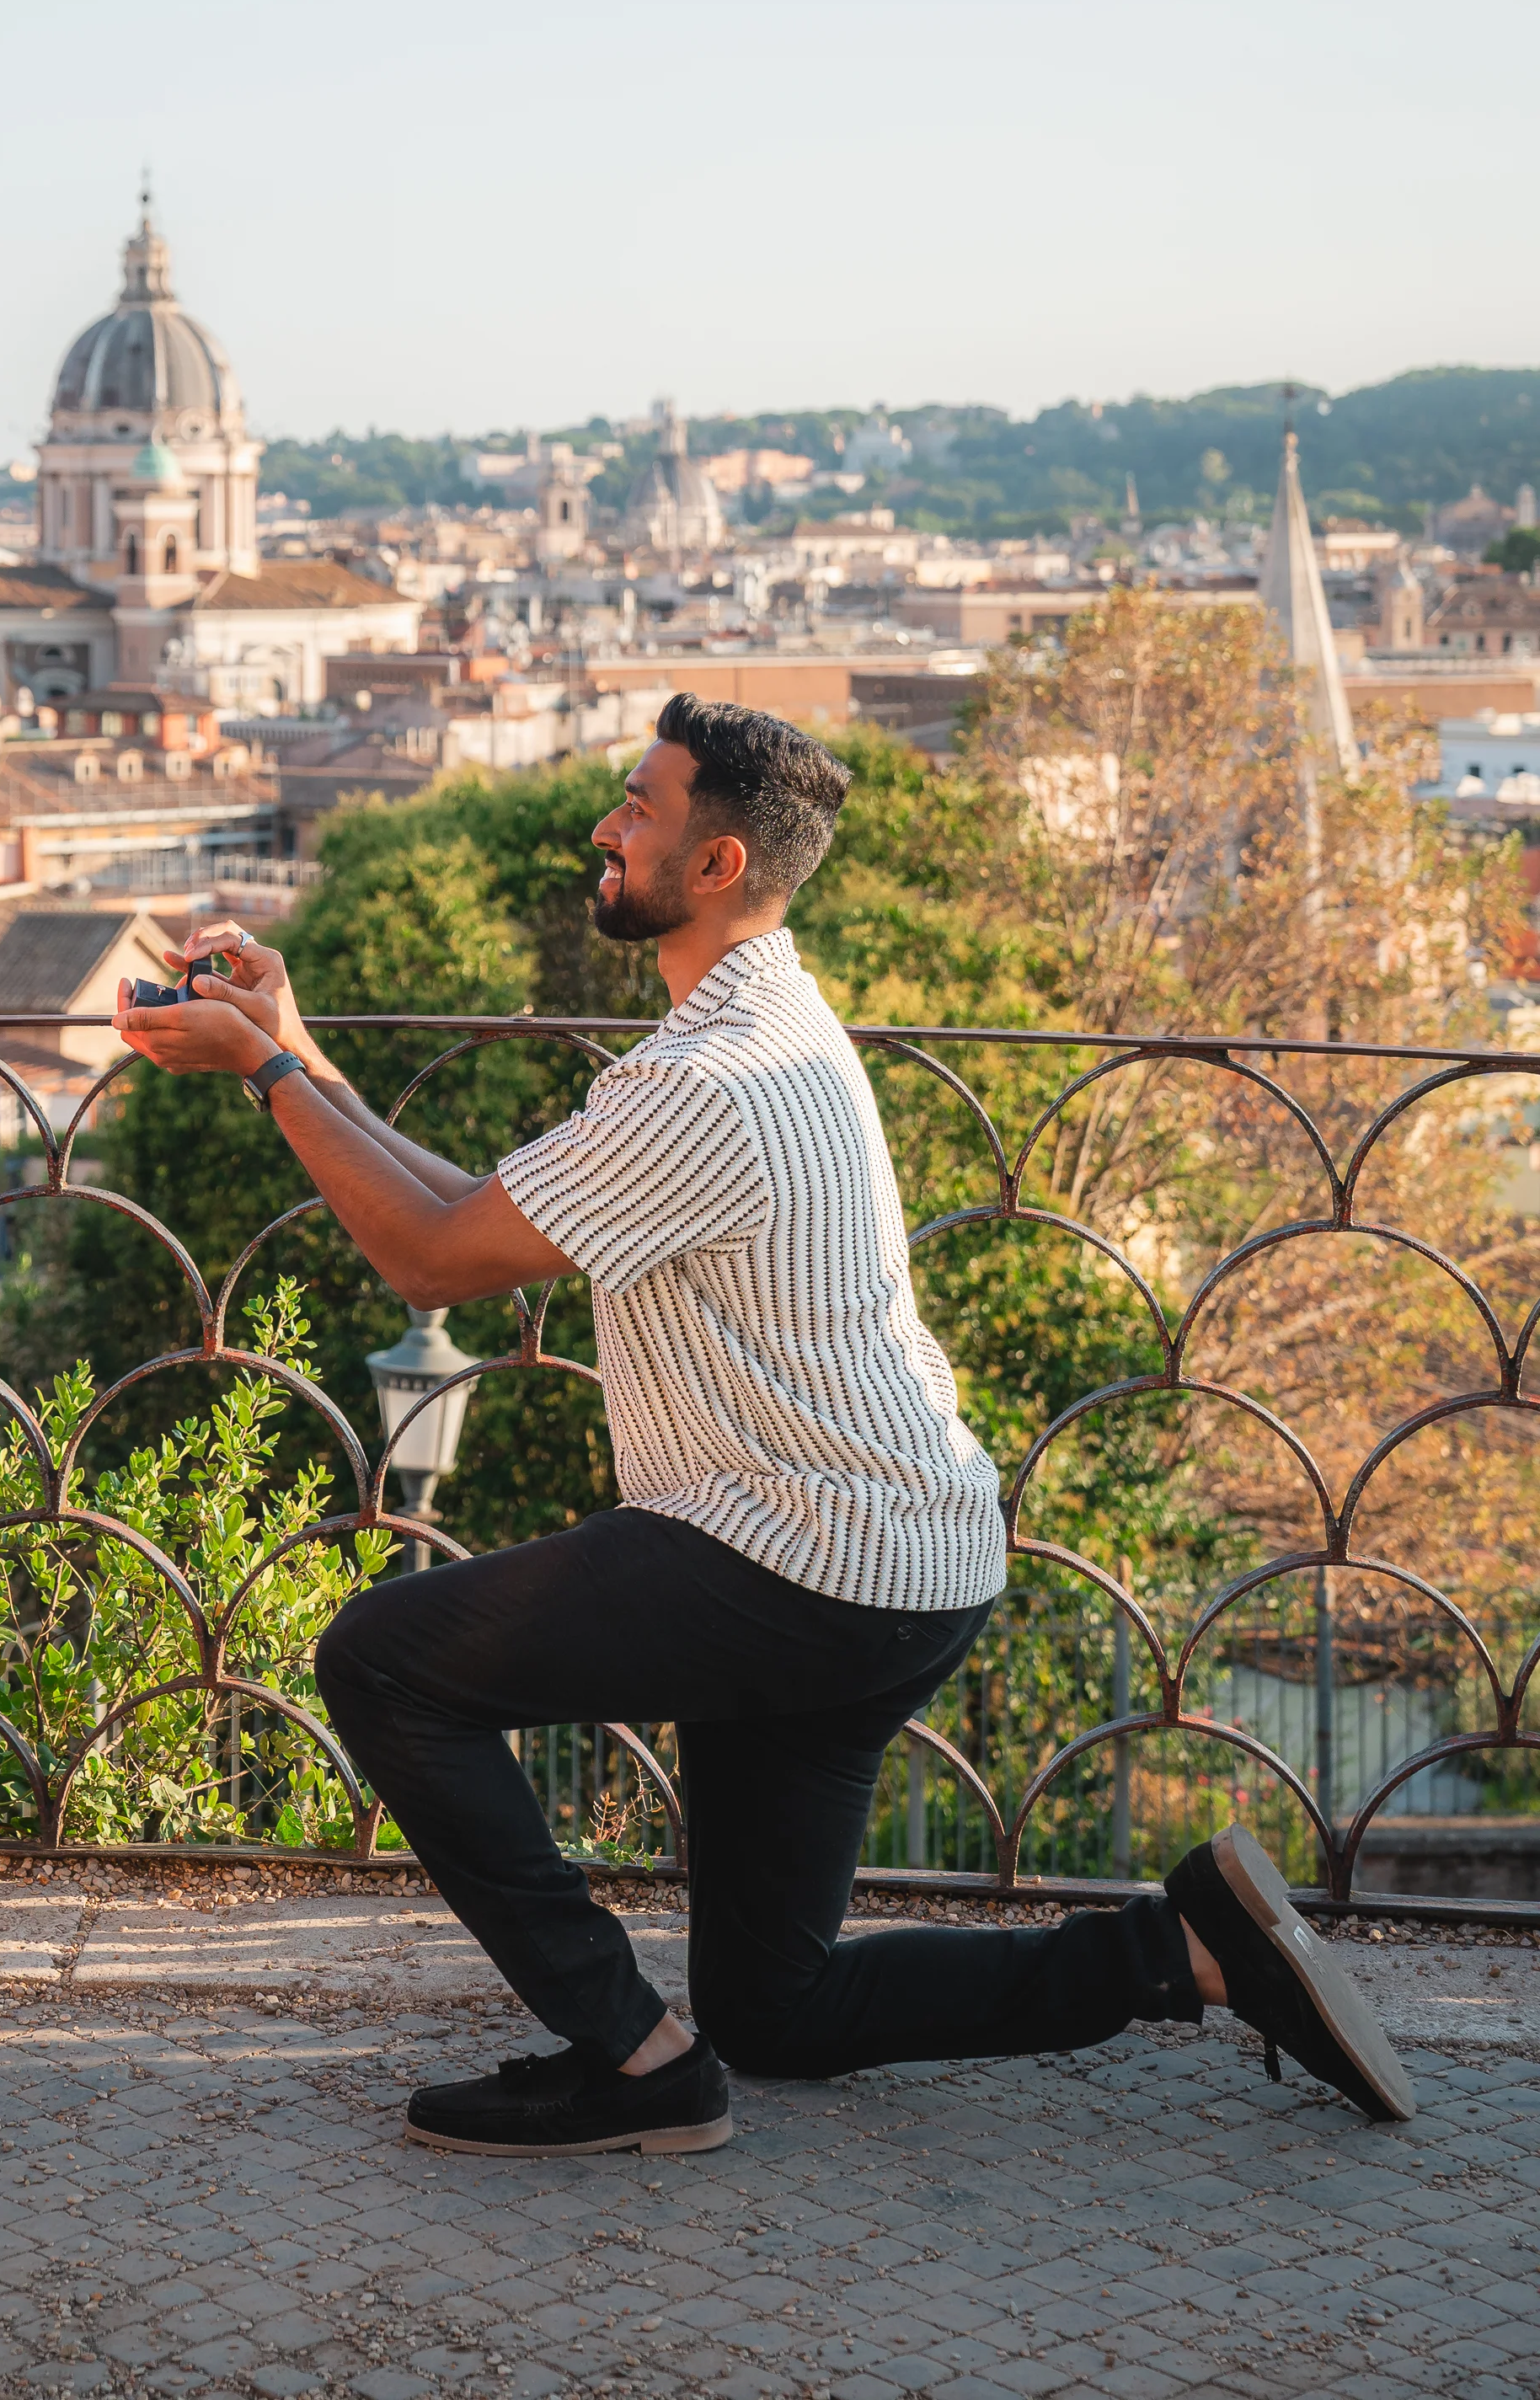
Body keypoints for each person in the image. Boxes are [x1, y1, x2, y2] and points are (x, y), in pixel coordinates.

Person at [115, 692, 1413, 2153]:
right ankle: (1185, 1953)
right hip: (902, 1560)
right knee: (776, 2010)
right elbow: (466, 1216)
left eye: (639, 807)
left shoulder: (703, 1083)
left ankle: (630, 2060)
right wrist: (294, 1045)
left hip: (795, 1557)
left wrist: (269, 1079)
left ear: (717, 864)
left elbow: (426, 1262)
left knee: (384, 1664)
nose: (604, 827)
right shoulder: (768, 1022)